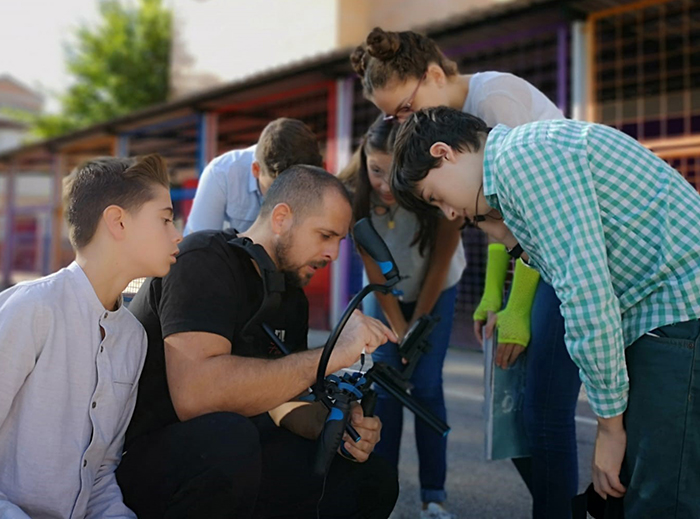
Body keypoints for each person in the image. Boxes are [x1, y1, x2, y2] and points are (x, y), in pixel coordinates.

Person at [391, 106, 700, 519]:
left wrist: (608, 428)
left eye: (436, 197)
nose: (448, 212)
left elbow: (586, 296)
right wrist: (496, 224)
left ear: (444, 152)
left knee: (662, 498)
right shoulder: (521, 163)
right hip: (667, 315)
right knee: (648, 488)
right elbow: (559, 267)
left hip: (679, 311)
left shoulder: (525, 160)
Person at [351, 27, 580, 519]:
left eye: (406, 109)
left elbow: (532, 213)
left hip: (565, 263)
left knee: (542, 413)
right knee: (516, 414)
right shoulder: (459, 119)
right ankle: (567, 505)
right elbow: (502, 220)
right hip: (538, 258)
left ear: (434, 73)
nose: (402, 124)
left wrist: (516, 308)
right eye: (391, 117)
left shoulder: (493, 100)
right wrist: (493, 299)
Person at [116, 164, 400, 519]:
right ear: (281, 218)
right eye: (325, 236)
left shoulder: (290, 295)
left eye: (339, 242)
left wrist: (335, 428)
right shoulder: (203, 259)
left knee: (372, 478)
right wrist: (335, 354)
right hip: (147, 456)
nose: (333, 255)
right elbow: (197, 396)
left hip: (231, 455)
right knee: (231, 438)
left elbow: (284, 403)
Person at [0, 155, 182, 518]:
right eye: (165, 218)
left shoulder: (132, 338)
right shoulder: (33, 309)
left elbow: (98, 475)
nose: (177, 234)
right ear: (117, 221)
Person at [338, 115, 465, 519]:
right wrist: (397, 327)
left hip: (436, 289)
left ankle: (434, 496)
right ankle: (381, 491)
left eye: (393, 174)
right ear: (364, 159)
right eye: (376, 170)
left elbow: (443, 257)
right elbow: (373, 268)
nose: (383, 184)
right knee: (387, 387)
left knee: (426, 385)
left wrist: (419, 324)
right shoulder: (354, 195)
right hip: (385, 294)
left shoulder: (431, 188)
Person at [184, 117, 323, 234]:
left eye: (297, 190)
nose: (285, 201)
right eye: (276, 190)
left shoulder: (318, 182)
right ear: (256, 169)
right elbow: (198, 248)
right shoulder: (222, 173)